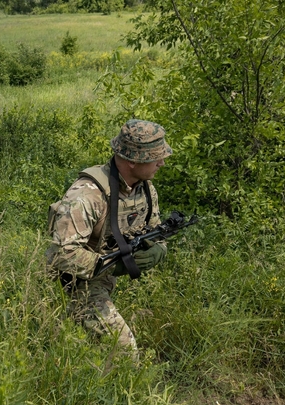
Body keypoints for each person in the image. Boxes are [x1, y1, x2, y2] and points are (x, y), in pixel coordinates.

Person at [45, 119, 172, 358]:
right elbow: (62, 254)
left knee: (85, 349)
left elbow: (156, 230)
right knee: (125, 351)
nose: (162, 163)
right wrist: (116, 264)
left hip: (102, 280)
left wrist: (159, 250)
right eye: (156, 157)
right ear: (133, 160)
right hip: (73, 284)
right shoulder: (87, 195)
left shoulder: (145, 189)